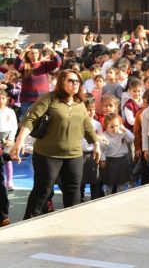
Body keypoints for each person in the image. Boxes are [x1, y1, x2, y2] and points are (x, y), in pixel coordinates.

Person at [12, 70, 102, 219]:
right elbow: (31, 119)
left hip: (74, 155)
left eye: (77, 81)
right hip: (48, 155)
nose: (75, 84)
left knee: (73, 191)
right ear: (61, 82)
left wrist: (96, 143)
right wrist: (20, 139)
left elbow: (87, 126)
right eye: (71, 80)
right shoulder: (48, 99)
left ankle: (70, 224)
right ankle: (27, 222)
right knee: (43, 190)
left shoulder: (80, 102)